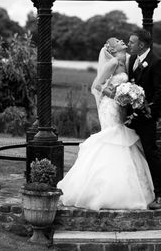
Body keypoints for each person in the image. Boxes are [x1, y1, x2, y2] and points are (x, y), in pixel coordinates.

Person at [57, 37, 154, 211]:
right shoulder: (113, 63)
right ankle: (101, 191)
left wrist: (129, 94)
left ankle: (126, 188)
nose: (122, 40)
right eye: (118, 40)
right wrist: (117, 95)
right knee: (113, 138)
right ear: (112, 48)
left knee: (123, 137)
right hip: (110, 107)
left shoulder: (127, 61)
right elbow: (96, 85)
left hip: (121, 106)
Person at [127, 29, 161, 210]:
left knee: (151, 153)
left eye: (132, 42)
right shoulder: (132, 61)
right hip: (130, 117)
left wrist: (149, 109)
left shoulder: (156, 62)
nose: (129, 45)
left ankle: (160, 195)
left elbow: (160, 91)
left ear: (141, 44)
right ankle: (135, 191)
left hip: (146, 117)